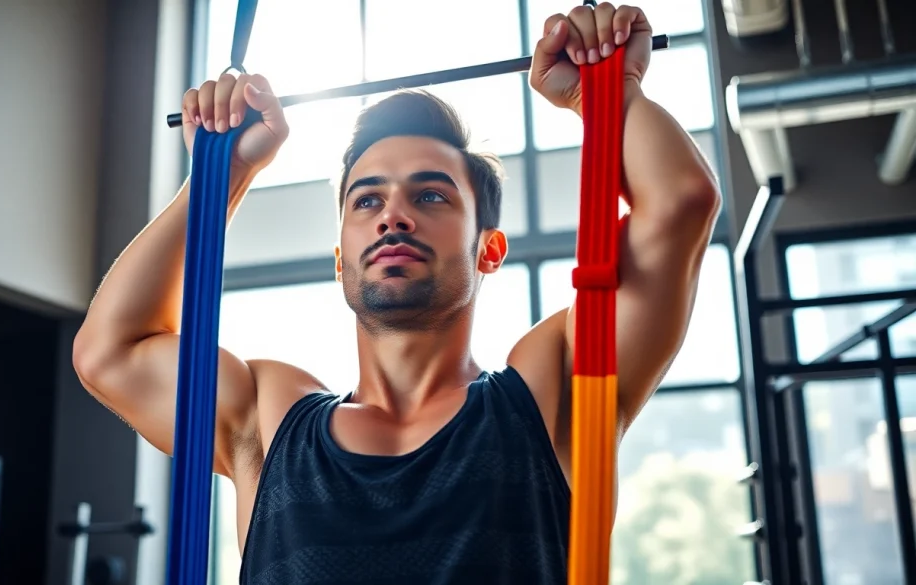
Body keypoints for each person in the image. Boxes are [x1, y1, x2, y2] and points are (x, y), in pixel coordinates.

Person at [72, 3, 721, 584]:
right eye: (368, 199)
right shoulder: (268, 419)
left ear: (489, 248)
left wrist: (610, 96)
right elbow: (111, 350)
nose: (394, 216)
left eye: (431, 194)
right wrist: (226, 174)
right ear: (340, 259)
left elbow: (679, 204)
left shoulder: (551, 394)